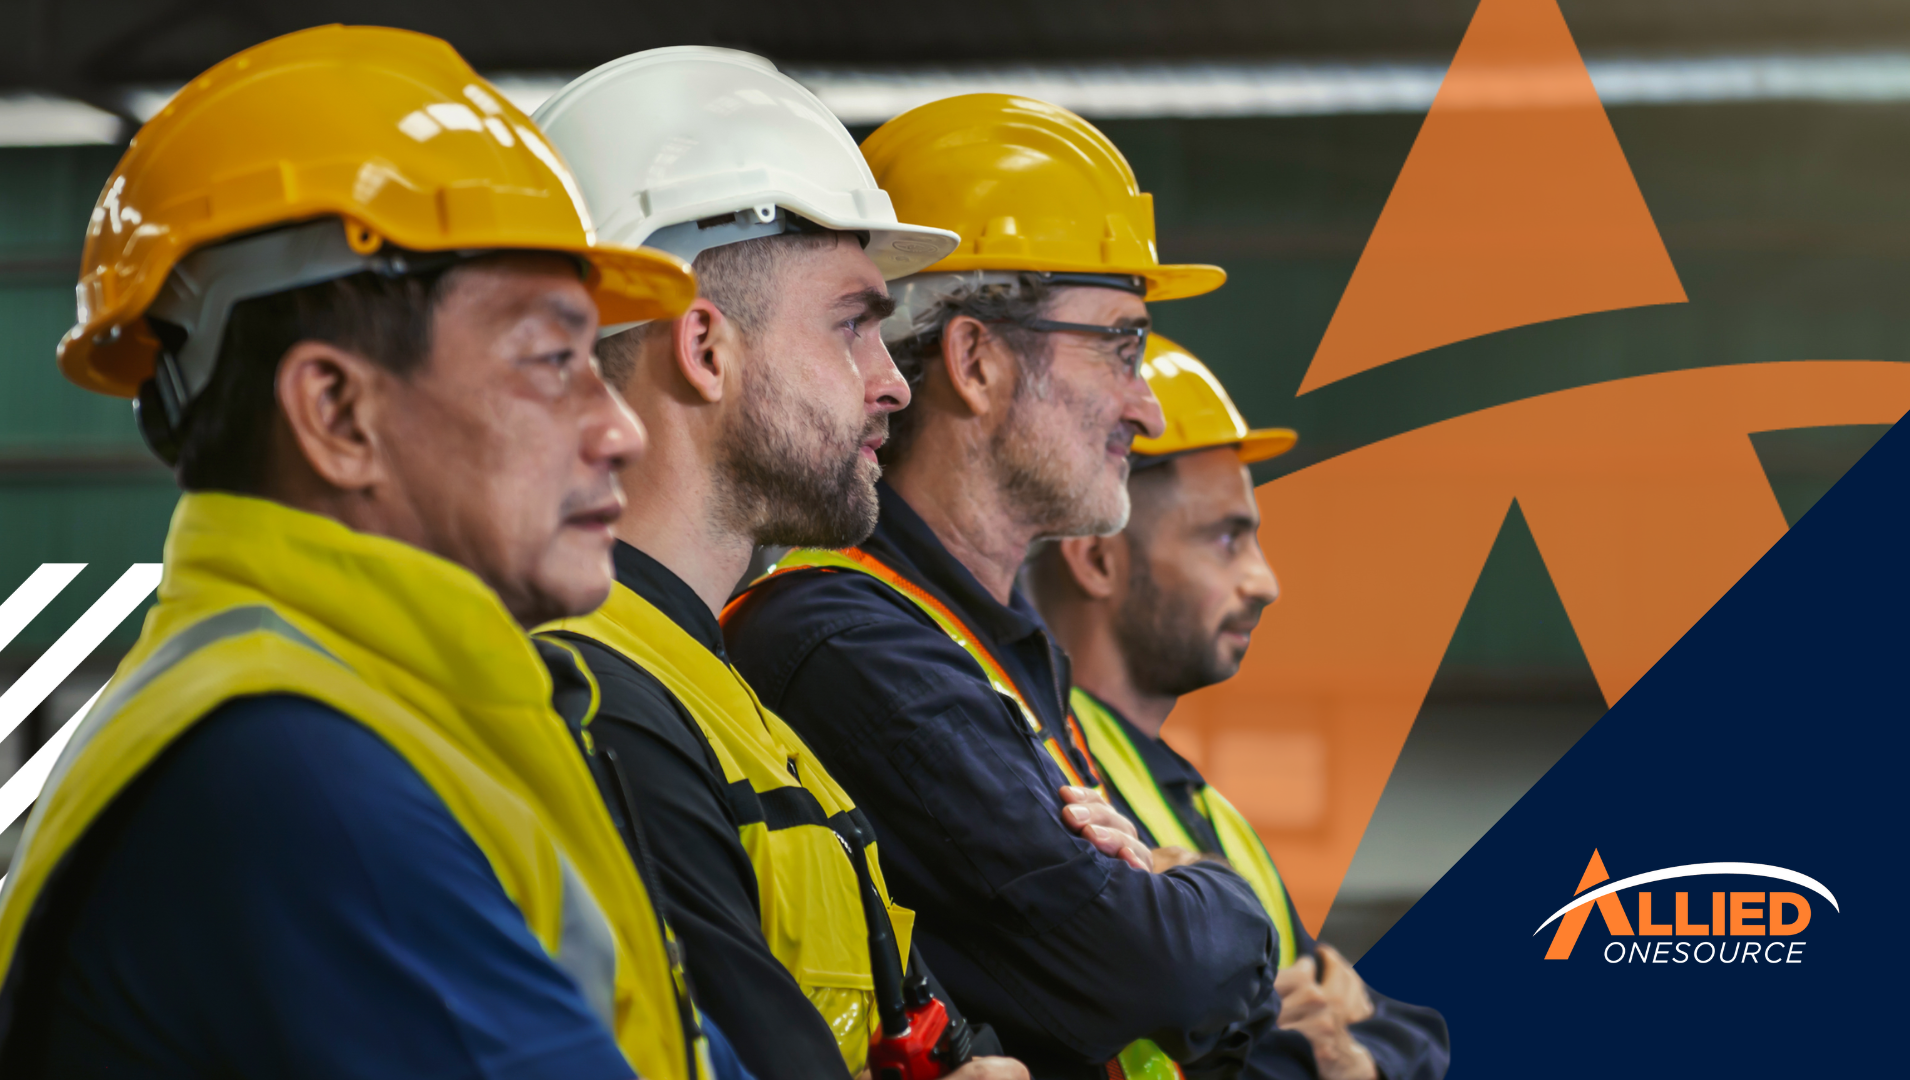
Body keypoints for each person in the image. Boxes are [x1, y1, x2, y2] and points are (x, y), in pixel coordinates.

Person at [0, 26, 747, 1080]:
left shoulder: (442, 721)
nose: (617, 427)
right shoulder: (287, 770)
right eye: (552, 362)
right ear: (337, 413)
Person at [722, 94, 1282, 1080]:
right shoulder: (850, 648)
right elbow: (1150, 973)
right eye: (1121, 344)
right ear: (975, 358)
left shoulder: (991, 652)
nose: (1146, 407)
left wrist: (1181, 910)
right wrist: (1217, 895)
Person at [531, 48, 1021, 1080]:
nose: (892, 384)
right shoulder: (595, 708)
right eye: (853, 324)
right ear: (705, 349)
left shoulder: (720, 697)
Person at [1025, 335, 1452, 1080]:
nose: (1264, 581)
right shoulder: (1042, 768)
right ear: (1098, 560)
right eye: (1226, 540)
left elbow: (1400, 1031)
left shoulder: (1192, 799)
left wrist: (1356, 1053)